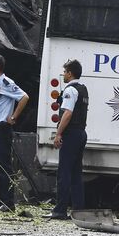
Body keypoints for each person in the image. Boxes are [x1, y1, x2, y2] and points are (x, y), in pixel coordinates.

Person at [43, 59, 89, 220]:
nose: (63, 75)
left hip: (71, 134)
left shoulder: (70, 90)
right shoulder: (83, 89)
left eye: (65, 72)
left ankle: (60, 210)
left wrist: (58, 134)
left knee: (64, 173)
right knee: (76, 173)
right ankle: (78, 210)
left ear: (70, 73)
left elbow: (67, 114)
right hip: (81, 133)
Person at [0, 54, 29, 212]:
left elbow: (24, 97)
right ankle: (0, 202)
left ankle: (9, 203)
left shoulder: (5, 83)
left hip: (3, 129)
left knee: (4, 167)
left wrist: (14, 116)